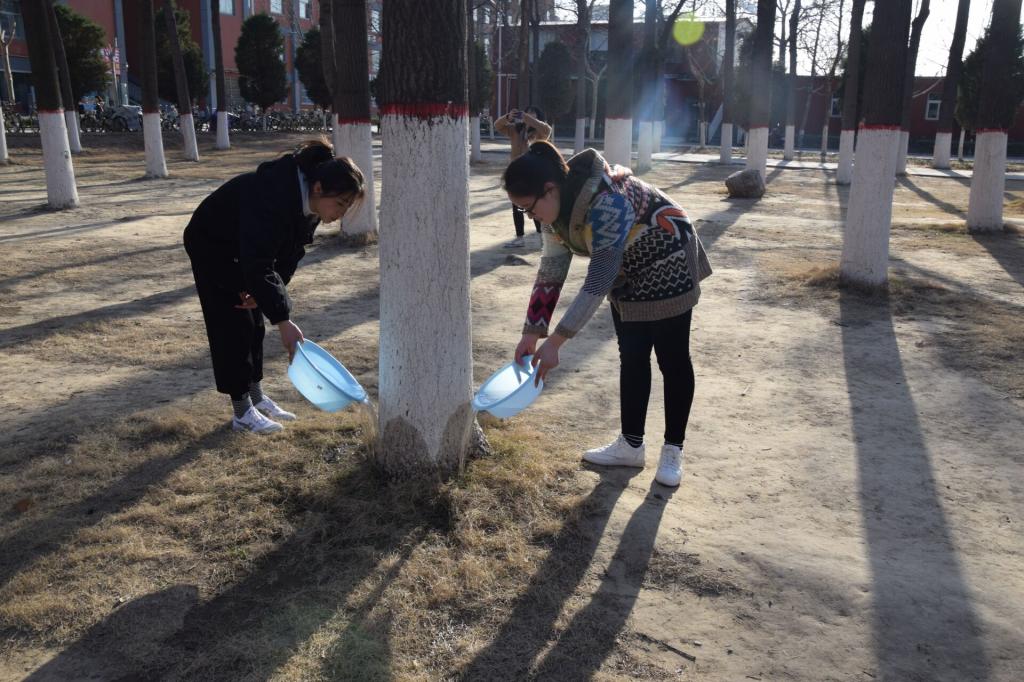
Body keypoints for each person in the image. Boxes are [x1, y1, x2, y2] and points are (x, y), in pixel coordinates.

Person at [504, 141, 712, 487]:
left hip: (669, 258)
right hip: (627, 271)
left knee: (672, 359)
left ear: (549, 189)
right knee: (632, 355)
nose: (530, 217)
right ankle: (631, 444)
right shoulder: (554, 215)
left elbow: (599, 277)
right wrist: (532, 331)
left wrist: (556, 341)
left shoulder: (605, 203)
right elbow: (552, 269)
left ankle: (673, 449)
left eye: (528, 208)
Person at [183, 139, 365, 434]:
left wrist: (270, 294)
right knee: (233, 325)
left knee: (255, 323)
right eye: (341, 204)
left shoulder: (310, 205)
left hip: (243, 249)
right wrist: (283, 320)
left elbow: (290, 254)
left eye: (347, 207)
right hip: (212, 243)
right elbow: (257, 262)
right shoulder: (274, 196)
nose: (341, 214)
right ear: (319, 188)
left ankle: (257, 398)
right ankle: (242, 413)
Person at [495, 105, 552, 248]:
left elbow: (547, 130)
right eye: (527, 113)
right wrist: (508, 117)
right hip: (517, 173)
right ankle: (519, 238)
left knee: (535, 205)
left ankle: (541, 237)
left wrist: (528, 118)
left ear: (538, 117)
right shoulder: (515, 130)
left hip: (533, 174)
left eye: (533, 114)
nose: (529, 115)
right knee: (517, 205)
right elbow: (497, 126)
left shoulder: (540, 132)